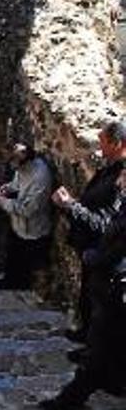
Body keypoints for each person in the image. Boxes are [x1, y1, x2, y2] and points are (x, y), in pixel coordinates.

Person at [40, 166, 126, 409]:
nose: (119, 182)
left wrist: (91, 257)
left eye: (124, 178)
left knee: (98, 351)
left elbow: (112, 245)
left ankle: (69, 401)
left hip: (115, 290)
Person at [52, 120, 126, 342]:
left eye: (102, 142)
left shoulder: (121, 180)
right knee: (88, 300)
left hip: (106, 256)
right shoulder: (108, 170)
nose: (97, 147)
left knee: (102, 312)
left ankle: (93, 355)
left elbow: (108, 224)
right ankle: (86, 340)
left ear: (118, 144)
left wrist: (70, 206)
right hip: (91, 250)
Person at [0, 143, 54, 289]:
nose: (14, 168)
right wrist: (8, 188)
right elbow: (18, 181)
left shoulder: (41, 178)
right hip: (19, 225)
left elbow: (28, 210)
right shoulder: (23, 167)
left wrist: (2, 202)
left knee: (27, 265)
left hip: (33, 229)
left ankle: (25, 286)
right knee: (13, 256)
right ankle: (9, 282)